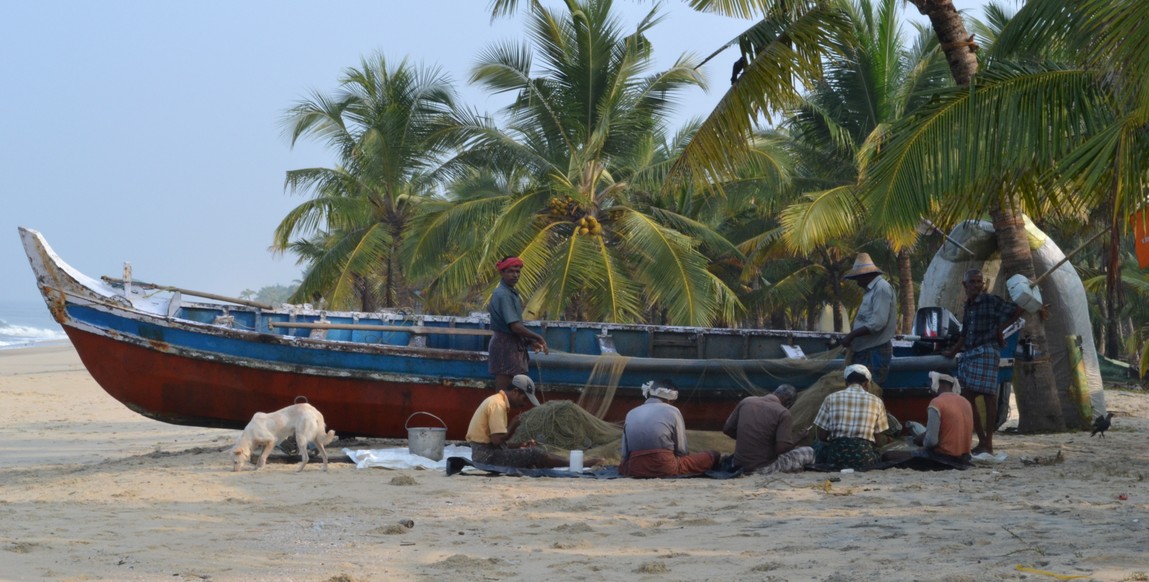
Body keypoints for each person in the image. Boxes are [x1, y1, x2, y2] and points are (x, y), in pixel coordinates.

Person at [942, 268, 1023, 455]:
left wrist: (999, 330)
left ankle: (988, 442)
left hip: (987, 350)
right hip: (971, 353)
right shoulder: (969, 305)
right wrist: (952, 351)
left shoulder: (990, 300)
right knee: (968, 397)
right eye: (973, 282)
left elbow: (1017, 310)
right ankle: (983, 440)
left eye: (979, 282)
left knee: (989, 396)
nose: (977, 285)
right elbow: (964, 333)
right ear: (965, 285)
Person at [465, 374, 570, 468]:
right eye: (524, 399)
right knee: (534, 454)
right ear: (515, 391)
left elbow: (498, 443)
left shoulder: (498, 401)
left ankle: (570, 462)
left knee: (531, 455)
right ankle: (576, 463)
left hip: (487, 453)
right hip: (486, 457)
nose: (524, 404)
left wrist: (520, 445)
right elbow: (497, 440)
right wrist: (513, 426)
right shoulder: (498, 405)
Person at [620, 379, 719, 478]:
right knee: (713, 455)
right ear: (670, 399)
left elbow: (625, 455)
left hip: (635, 469)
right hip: (665, 466)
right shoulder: (673, 411)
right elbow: (681, 451)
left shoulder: (631, 413)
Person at [488, 256, 548, 393]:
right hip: (504, 348)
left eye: (518, 271)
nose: (515, 275)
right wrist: (538, 337)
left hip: (512, 347)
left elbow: (515, 326)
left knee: (515, 393)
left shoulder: (511, 293)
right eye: (511, 271)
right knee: (503, 395)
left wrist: (529, 340)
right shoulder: (503, 294)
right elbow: (514, 326)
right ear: (502, 273)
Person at [812, 364, 890, 469]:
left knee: (816, 445)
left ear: (846, 383)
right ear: (866, 383)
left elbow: (822, 436)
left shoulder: (830, 398)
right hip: (864, 458)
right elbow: (878, 438)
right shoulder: (877, 401)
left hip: (836, 457)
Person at [722, 384, 812, 474]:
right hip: (762, 468)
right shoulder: (783, 413)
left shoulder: (746, 401)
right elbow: (781, 449)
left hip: (737, 465)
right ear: (788, 402)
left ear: (775, 392)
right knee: (809, 452)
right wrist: (799, 438)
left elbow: (727, 429)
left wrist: (750, 439)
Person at [839, 253, 897, 384]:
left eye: (858, 278)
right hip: (865, 350)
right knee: (858, 388)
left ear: (866, 275)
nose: (858, 283)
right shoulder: (870, 291)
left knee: (869, 388)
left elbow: (878, 323)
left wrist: (852, 335)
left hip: (874, 351)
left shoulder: (881, 288)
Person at [913, 371, 973, 467]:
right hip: (964, 457)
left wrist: (922, 440)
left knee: (889, 456)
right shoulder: (966, 402)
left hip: (943, 458)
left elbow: (931, 442)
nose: (929, 388)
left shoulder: (936, 402)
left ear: (935, 381)